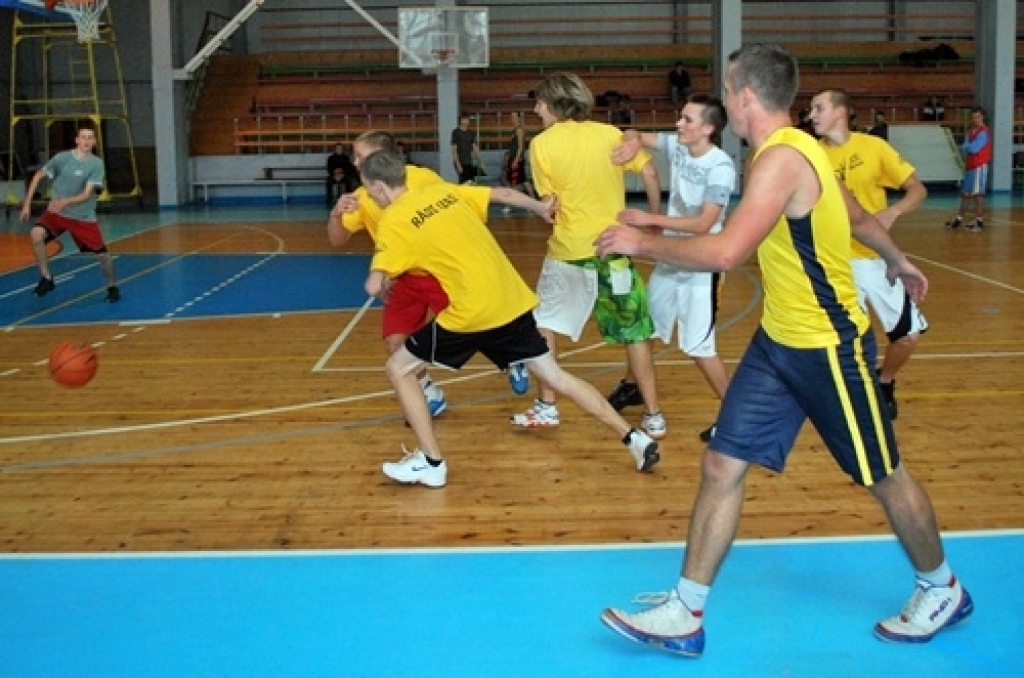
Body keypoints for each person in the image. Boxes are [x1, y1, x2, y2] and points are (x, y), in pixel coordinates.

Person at [597, 43, 971, 657]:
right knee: (722, 463)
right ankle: (685, 611)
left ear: (744, 96)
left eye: (725, 86)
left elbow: (724, 254)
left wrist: (639, 242)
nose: (723, 96)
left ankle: (941, 587)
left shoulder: (780, 161)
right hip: (779, 341)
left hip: (827, 346)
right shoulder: (802, 149)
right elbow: (852, 215)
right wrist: (898, 259)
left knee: (882, 474)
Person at [360, 150, 660, 488]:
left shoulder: (394, 220)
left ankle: (431, 462)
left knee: (398, 368)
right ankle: (635, 439)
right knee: (555, 376)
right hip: (511, 300)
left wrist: (384, 277)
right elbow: (500, 195)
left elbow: (373, 285)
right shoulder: (442, 192)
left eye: (371, 193)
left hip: (471, 312)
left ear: (380, 187)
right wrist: (537, 206)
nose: (373, 199)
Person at [328, 130, 530, 415]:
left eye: (359, 155)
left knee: (478, 327)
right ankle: (430, 394)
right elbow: (337, 241)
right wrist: (336, 214)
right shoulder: (361, 197)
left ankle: (511, 359)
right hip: (404, 279)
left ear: (380, 157)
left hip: (437, 273)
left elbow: (451, 214)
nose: (354, 161)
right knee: (395, 341)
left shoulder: (422, 179)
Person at [513, 72, 666, 442]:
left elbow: (550, 204)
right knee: (636, 334)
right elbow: (648, 171)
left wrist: (542, 209)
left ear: (553, 103)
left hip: (569, 254)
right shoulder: (611, 134)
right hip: (615, 252)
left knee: (544, 324)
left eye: (539, 103)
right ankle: (654, 416)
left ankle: (547, 405)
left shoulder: (542, 145)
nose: (535, 109)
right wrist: (653, 220)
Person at [608, 94, 736, 443]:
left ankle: (735, 415)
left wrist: (648, 219)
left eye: (687, 120)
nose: (679, 124)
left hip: (701, 264)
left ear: (708, 128)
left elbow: (703, 223)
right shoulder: (678, 146)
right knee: (644, 330)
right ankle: (634, 386)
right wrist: (632, 144)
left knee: (699, 347)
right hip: (670, 258)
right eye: (680, 118)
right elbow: (633, 132)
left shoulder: (721, 167)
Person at [810, 89, 929, 420]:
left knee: (907, 335)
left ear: (841, 112)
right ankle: (843, 399)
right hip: (830, 262)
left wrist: (893, 213)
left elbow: (917, 189)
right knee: (841, 341)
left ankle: (885, 381)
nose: (812, 115)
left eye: (818, 108)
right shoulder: (810, 156)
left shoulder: (874, 148)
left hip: (874, 258)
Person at [20, 124, 119, 303]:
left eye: (90, 138)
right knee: (36, 234)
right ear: (77, 140)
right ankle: (46, 277)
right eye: (84, 137)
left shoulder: (96, 164)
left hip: (82, 217)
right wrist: (27, 205)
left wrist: (64, 201)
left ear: (94, 141)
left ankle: (112, 286)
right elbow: (37, 176)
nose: (87, 141)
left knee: (103, 256)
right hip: (57, 215)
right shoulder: (61, 158)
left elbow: (86, 195)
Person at [946, 106, 992, 232]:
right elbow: (965, 146)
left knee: (978, 195)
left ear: (982, 117)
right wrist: (968, 146)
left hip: (979, 166)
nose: (975, 119)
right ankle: (959, 218)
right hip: (971, 165)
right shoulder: (971, 131)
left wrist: (968, 146)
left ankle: (979, 221)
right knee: (966, 194)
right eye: (973, 117)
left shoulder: (984, 131)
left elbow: (973, 148)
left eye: (977, 117)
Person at [500, 112, 535, 212]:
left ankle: (510, 206)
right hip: (513, 158)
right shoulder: (514, 130)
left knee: (513, 183)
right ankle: (533, 204)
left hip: (517, 159)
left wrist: (516, 160)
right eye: (511, 117)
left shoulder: (519, 130)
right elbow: (513, 147)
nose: (513, 118)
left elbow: (520, 147)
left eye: (515, 117)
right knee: (524, 181)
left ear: (519, 118)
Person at [451, 115, 484, 184]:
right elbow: (454, 149)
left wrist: (480, 161)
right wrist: (458, 164)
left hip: (468, 161)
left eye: (467, 119)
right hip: (460, 161)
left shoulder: (470, 133)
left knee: (471, 181)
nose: (466, 121)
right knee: (464, 182)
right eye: (464, 119)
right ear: (460, 121)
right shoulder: (456, 132)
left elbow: (474, 147)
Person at [326, 143, 358, 209]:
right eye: (338, 148)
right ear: (335, 149)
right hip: (334, 175)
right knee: (328, 181)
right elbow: (329, 168)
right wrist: (335, 174)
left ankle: (348, 200)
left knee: (349, 181)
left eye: (340, 148)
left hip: (344, 175)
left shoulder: (346, 158)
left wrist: (342, 174)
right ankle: (329, 200)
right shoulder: (331, 158)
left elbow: (349, 168)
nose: (339, 150)